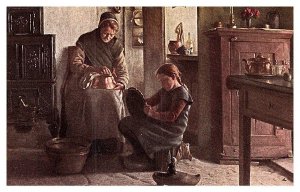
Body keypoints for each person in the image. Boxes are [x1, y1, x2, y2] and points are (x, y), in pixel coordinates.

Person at [64, 12, 129, 154]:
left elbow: (122, 69)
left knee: (114, 98)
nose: (108, 37)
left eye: (111, 35)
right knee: (90, 97)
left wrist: (122, 83)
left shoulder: (116, 46)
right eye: (105, 33)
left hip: (109, 82)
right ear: (100, 28)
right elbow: (75, 65)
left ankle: (112, 140)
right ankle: (91, 141)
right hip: (87, 79)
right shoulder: (85, 40)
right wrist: (94, 69)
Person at [118, 63, 193, 170]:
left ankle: (147, 156)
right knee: (125, 123)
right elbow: (150, 101)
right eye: (160, 81)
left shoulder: (182, 94)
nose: (162, 84)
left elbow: (172, 116)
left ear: (174, 77)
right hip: (160, 124)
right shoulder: (164, 90)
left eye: (164, 80)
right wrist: (136, 101)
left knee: (139, 128)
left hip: (172, 130)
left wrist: (153, 114)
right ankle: (140, 153)